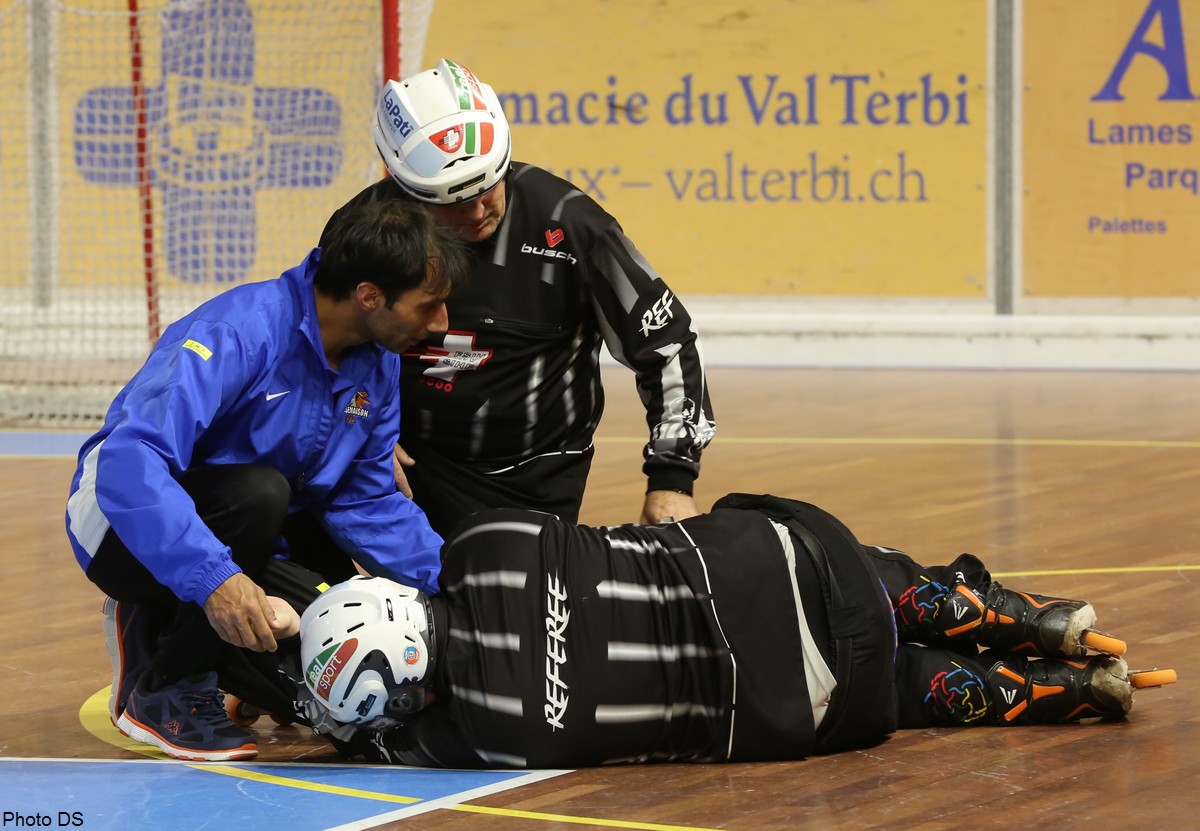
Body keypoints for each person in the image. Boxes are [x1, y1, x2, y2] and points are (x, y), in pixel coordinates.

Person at [245, 493, 1167, 769]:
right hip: (792, 564)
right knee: (853, 573)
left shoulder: (478, 734)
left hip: (809, 703)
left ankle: (1060, 695)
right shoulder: (485, 541)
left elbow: (380, 740)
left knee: (892, 687)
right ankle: (1024, 616)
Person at [64, 199, 470, 762]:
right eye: (428, 305)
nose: (442, 324)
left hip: (246, 530)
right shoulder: (236, 331)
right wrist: (215, 580)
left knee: (337, 666)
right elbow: (131, 463)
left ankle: (175, 616)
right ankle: (165, 687)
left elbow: (366, 500)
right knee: (259, 494)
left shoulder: (374, 359)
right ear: (370, 296)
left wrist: (459, 582)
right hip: (119, 527)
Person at [320, 58, 716, 536]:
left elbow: (668, 344)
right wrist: (358, 430)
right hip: (395, 461)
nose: (478, 211)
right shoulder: (359, 230)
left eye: (489, 186)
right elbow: (316, 347)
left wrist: (672, 479)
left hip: (529, 477)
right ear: (405, 191)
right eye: (453, 201)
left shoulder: (572, 225)